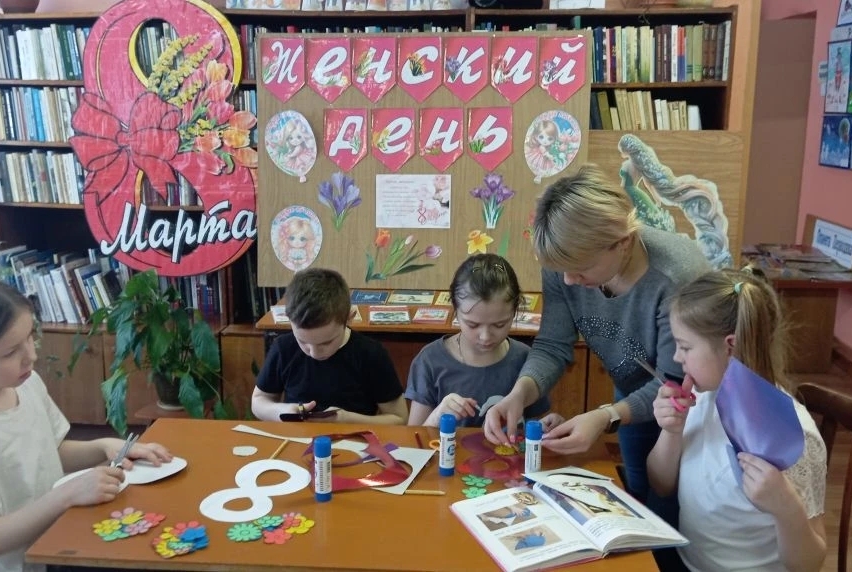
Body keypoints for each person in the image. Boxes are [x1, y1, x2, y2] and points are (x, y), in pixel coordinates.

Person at [483, 164, 711, 507]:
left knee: (675, 507)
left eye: (581, 269)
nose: (569, 280)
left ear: (623, 242)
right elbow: (552, 345)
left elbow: (676, 383)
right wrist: (519, 394)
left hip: (690, 409)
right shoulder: (565, 261)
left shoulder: (677, 276)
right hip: (632, 395)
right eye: (562, 270)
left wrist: (607, 416)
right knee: (638, 494)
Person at [0, 271, 172, 572]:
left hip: (53, 550)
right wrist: (65, 496)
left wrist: (105, 447)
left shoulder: (23, 385)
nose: (31, 356)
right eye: (10, 352)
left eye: (29, 338)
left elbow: (50, 450)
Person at [646, 269, 826, 571]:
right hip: (688, 562)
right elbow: (661, 486)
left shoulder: (794, 437)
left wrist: (787, 509)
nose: (677, 357)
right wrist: (671, 431)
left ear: (730, 347)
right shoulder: (704, 396)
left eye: (685, 347)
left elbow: (809, 564)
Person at [406, 254, 561, 431]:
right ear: (455, 310)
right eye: (473, 325)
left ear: (515, 311)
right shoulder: (430, 360)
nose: (486, 336)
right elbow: (413, 437)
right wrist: (436, 417)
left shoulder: (527, 361)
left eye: (499, 325)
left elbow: (529, 428)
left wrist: (542, 428)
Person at [252, 268, 407, 424]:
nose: (314, 353)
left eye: (326, 342)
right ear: (288, 319)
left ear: (349, 318)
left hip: (355, 436)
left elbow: (399, 418)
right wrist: (282, 411)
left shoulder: (371, 354)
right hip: (298, 436)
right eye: (303, 341)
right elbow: (259, 401)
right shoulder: (283, 348)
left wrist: (348, 420)